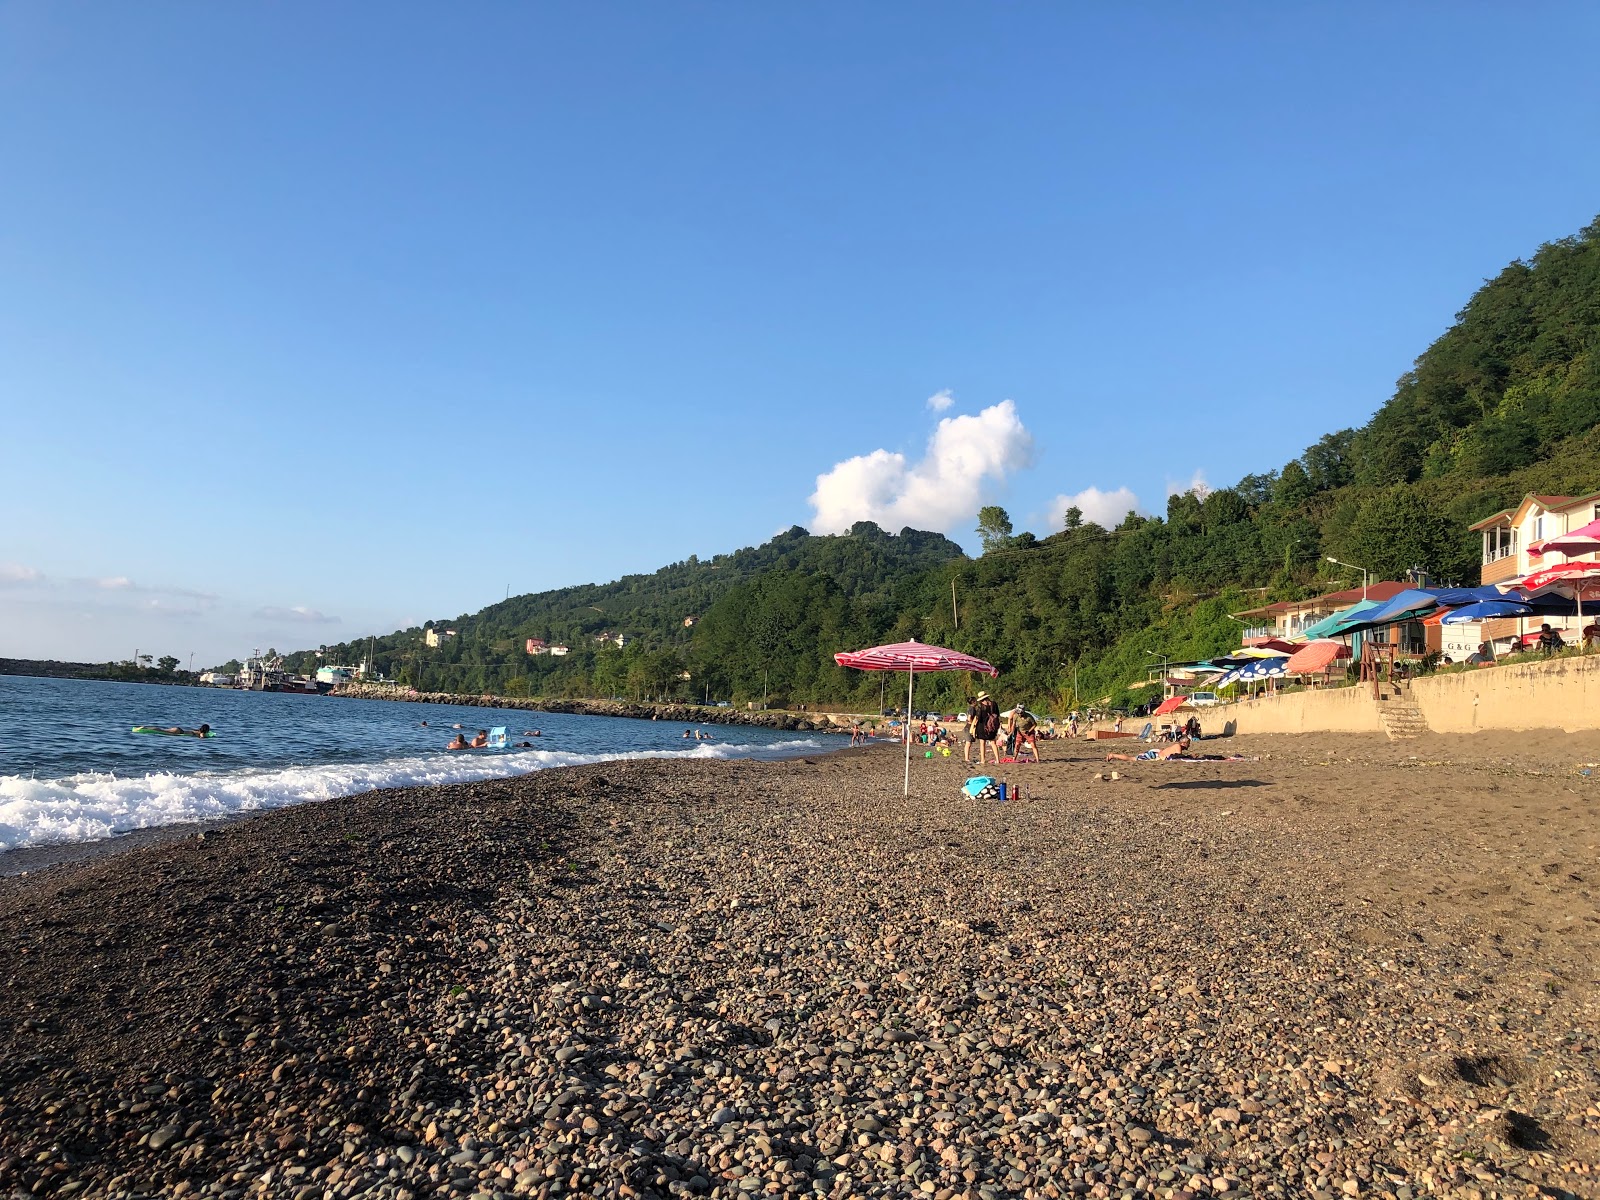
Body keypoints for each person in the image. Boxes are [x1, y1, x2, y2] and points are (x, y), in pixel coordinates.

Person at [971, 691, 1002, 766]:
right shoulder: (994, 704)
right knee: (993, 743)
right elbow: (997, 714)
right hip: (992, 726)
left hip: (982, 726)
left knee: (982, 743)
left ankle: (983, 760)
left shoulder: (981, 706)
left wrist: (973, 726)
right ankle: (997, 760)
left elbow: (978, 717)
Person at [1107, 736, 1193, 762]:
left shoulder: (1176, 745)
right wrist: (1190, 756)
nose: (1189, 745)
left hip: (1156, 752)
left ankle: (1113, 755)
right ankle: (1113, 755)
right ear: (1183, 743)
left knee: (1134, 758)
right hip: (1155, 755)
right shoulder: (1178, 746)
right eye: (1188, 743)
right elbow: (1179, 756)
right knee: (1132, 758)